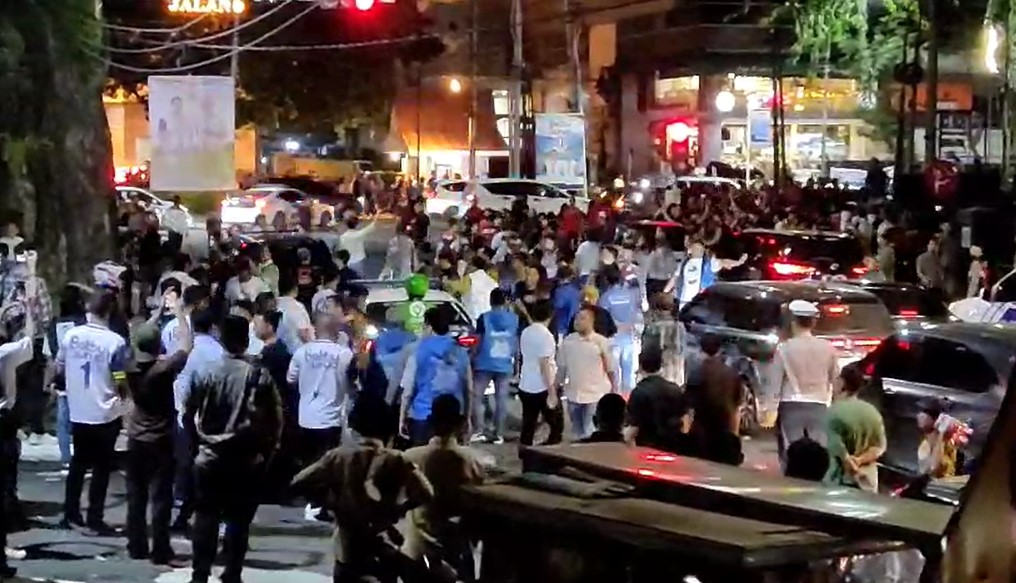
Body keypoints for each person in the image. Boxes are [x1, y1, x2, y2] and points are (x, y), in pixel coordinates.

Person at [291, 393, 433, 583]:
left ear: (354, 426)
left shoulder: (338, 456)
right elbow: (427, 493)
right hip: (383, 543)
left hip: (347, 546)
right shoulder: (397, 459)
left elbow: (298, 483)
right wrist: (398, 510)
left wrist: (329, 502)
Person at [183, 315, 283, 583]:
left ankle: (200, 573)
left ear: (221, 338)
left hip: (209, 456)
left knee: (205, 517)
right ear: (245, 340)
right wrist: (269, 451)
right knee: (238, 520)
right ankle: (232, 572)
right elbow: (275, 419)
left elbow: (187, 412)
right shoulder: (258, 374)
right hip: (245, 458)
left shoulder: (206, 370)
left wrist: (194, 444)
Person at [57, 289, 131, 535]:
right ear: (110, 311)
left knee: (78, 465)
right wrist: (126, 398)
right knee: (101, 469)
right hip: (105, 411)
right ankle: (94, 518)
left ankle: (70, 512)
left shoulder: (71, 336)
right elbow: (119, 375)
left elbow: (59, 365)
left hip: (79, 409)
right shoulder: (115, 342)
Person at [125, 292, 191, 566]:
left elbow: (136, 339)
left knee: (136, 495)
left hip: (136, 436)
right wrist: (178, 312)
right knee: (161, 496)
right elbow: (187, 345)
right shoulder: (163, 370)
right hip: (161, 437)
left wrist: (154, 317)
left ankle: (136, 543)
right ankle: (160, 548)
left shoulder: (128, 366)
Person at [402, 394, 485, 570]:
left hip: (416, 549)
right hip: (454, 550)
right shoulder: (473, 461)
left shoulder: (409, 458)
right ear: (460, 425)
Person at [287, 312, 354, 521]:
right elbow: (352, 384)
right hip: (331, 418)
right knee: (330, 464)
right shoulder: (345, 354)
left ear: (315, 329)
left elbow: (291, 379)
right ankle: (324, 504)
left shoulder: (302, 352)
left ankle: (312, 502)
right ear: (335, 330)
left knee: (309, 463)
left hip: (306, 416)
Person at [771, 300, 839, 471]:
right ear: (813, 322)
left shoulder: (784, 348)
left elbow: (775, 382)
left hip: (790, 405)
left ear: (793, 322)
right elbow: (836, 380)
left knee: (791, 452)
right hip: (820, 404)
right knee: (818, 453)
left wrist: (770, 408)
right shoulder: (828, 348)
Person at [0, 274, 37, 578]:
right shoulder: (4, 354)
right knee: (5, 482)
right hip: (2, 426)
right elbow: (28, 342)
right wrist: (30, 309)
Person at [399, 307, 473, 446]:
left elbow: (408, 391)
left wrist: (402, 418)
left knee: (422, 462)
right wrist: (467, 417)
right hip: (453, 417)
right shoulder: (460, 351)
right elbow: (469, 389)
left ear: (429, 326)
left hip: (422, 415)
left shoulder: (417, 350)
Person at [44, 283, 90, 470]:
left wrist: (47, 382)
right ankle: (83, 458)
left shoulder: (54, 325)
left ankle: (66, 459)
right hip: (85, 378)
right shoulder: (85, 323)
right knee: (83, 421)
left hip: (63, 378)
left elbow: (50, 359)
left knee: (63, 421)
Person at [556, 307, 617, 440]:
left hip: (596, 395)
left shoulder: (601, 342)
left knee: (590, 431)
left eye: (582, 318)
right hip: (574, 395)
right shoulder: (568, 342)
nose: (577, 322)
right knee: (577, 432)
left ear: (592, 322)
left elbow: (610, 368)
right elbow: (561, 368)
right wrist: (556, 388)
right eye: (576, 318)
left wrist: (614, 390)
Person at [823, 366, 886, 493]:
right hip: (867, 482)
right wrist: (860, 460)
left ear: (842, 383)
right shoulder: (872, 412)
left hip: (839, 481)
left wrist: (850, 463)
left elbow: (837, 448)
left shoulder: (833, 413)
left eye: (837, 379)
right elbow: (879, 447)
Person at [685, 333, 744, 465]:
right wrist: (734, 435)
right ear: (719, 349)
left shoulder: (697, 372)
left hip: (701, 433)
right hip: (724, 431)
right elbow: (736, 409)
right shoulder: (732, 374)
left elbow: (689, 408)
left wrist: (686, 433)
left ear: (701, 349)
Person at [470, 289, 519, 444]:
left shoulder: (483, 318)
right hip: (504, 362)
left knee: (476, 397)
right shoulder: (514, 319)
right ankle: (499, 433)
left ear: (490, 301)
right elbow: (516, 342)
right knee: (501, 399)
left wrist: (472, 357)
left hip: (484, 361)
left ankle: (479, 430)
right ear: (505, 302)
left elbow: (477, 341)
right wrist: (517, 363)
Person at [517, 299, 564, 447]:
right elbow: (545, 365)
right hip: (542, 386)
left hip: (526, 383)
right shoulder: (546, 336)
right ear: (550, 315)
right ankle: (549, 453)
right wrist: (552, 391)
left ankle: (525, 452)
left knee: (528, 423)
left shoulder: (526, 332)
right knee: (556, 425)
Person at [625, 348, 686, 451]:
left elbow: (632, 430)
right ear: (661, 365)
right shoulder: (675, 389)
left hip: (646, 450)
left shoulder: (638, 393)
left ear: (640, 366)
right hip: (672, 449)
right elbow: (684, 421)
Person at [663, 236, 746, 308]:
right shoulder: (684, 263)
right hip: (684, 303)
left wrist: (737, 263)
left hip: (701, 303)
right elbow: (674, 278)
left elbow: (723, 262)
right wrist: (664, 293)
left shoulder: (709, 262)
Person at [598, 264, 642, 395]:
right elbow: (637, 312)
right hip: (629, 336)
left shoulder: (606, 297)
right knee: (629, 371)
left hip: (613, 338)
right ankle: (629, 399)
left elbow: (603, 318)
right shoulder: (631, 294)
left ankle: (616, 399)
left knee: (614, 372)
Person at [277, 275, 314, 353]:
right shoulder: (297, 307)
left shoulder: (273, 305)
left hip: (278, 350)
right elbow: (304, 333)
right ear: (295, 288)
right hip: (297, 350)